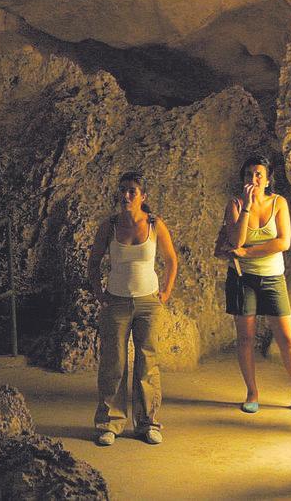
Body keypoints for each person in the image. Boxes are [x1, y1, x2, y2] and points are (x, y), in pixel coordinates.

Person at [88, 171, 179, 446]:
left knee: (147, 361)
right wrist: (98, 293)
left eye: (132, 191)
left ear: (143, 197)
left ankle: (148, 423)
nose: (126, 196)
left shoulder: (154, 224)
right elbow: (93, 262)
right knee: (113, 362)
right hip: (116, 301)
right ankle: (110, 423)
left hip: (148, 302)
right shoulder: (110, 226)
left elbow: (171, 260)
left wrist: (165, 293)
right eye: (123, 190)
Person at [220, 155, 291, 415]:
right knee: (246, 338)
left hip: (272, 277)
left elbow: (283, 242)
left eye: (259, 174)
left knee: (287, 338)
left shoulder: (278, 203)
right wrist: (247, 207)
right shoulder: (236, 205)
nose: (254, 179)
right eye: (249, 174)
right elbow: (236, 241)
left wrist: (249, 253)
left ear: (268, 178)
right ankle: (252, 392)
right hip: (241, 278)